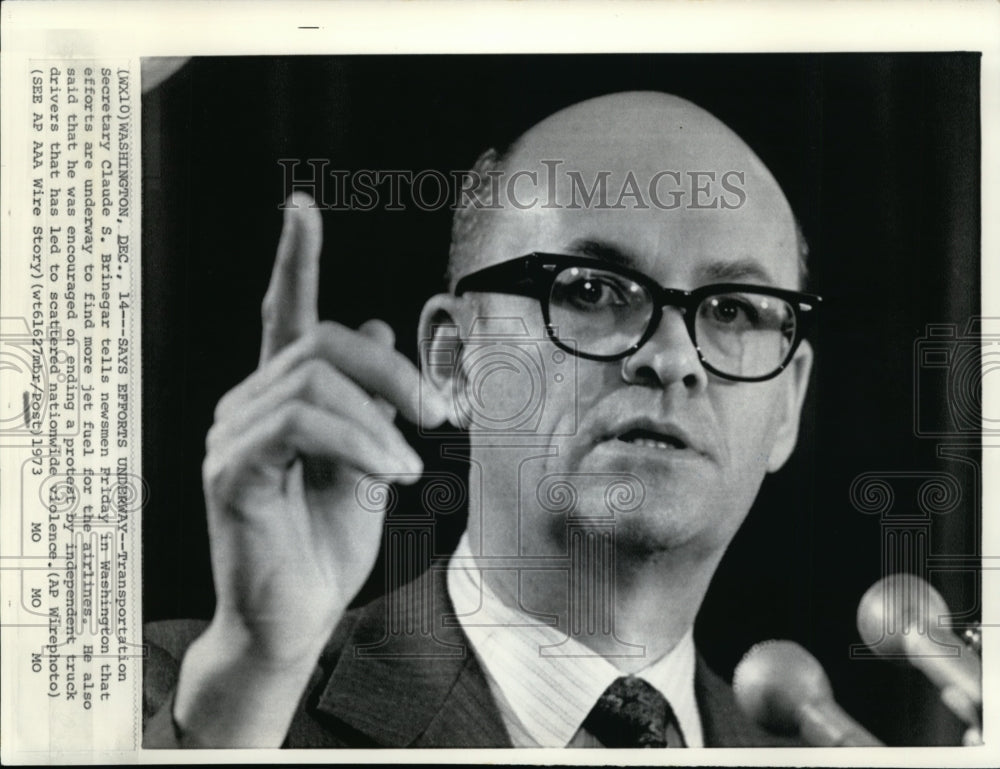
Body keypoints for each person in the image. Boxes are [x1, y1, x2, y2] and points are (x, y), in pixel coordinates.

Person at [143, 90, 819, 748]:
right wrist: (251, 688)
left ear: (788, 403)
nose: (672, 356)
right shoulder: (198, 697)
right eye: (591, 290)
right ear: (458, 359)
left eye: (732, 309)